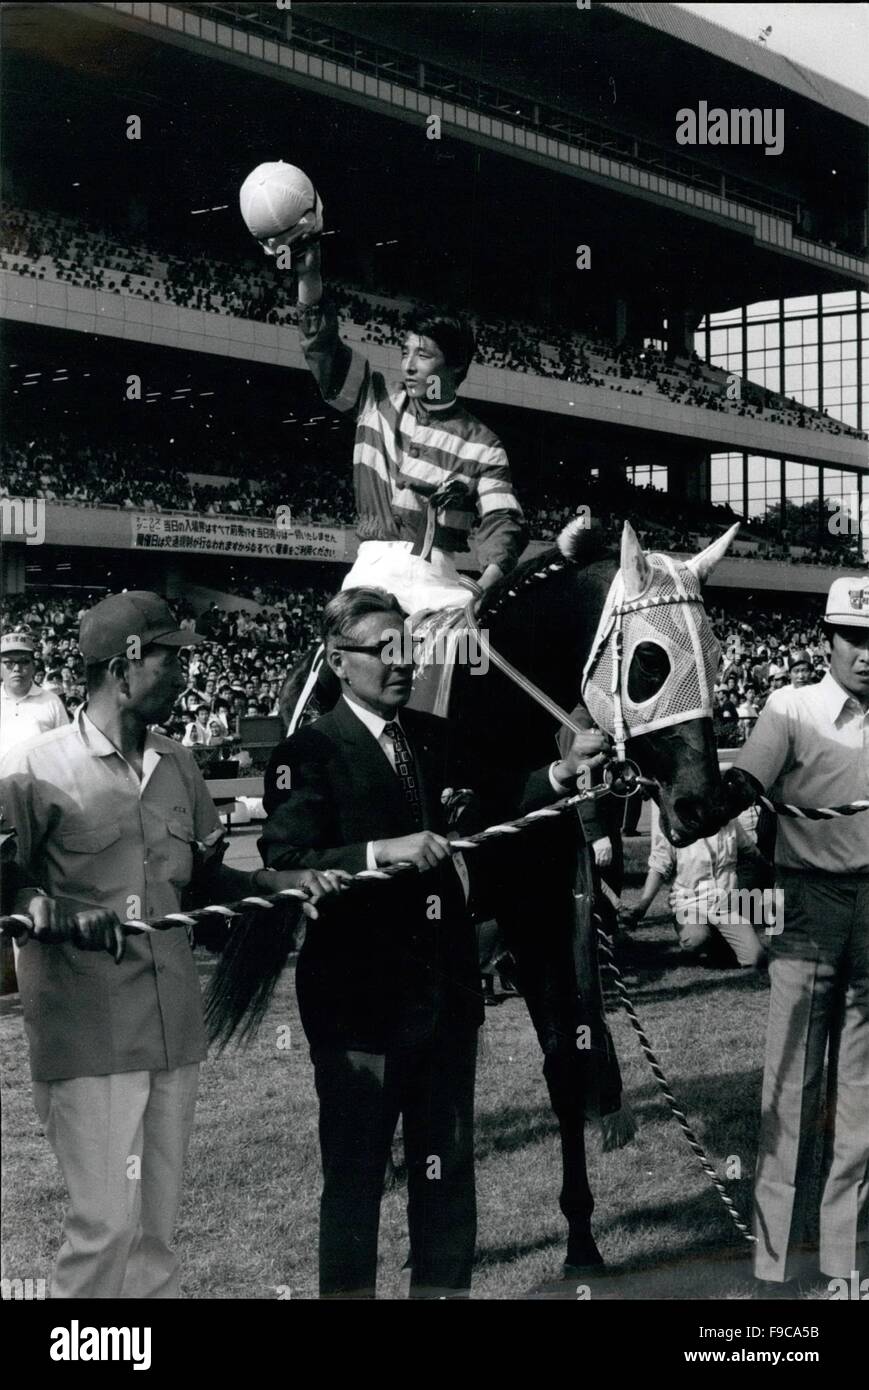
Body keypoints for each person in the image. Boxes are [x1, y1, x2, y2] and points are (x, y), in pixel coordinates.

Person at [259, 587, 608, 1298]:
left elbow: (498, 791)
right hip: (358, 1009)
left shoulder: (428, 735)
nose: (401, 664)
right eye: (382, 650)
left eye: (407, 649)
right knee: (355, 1183)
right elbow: (287, 856)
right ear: (337, 660)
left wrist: (557, 775)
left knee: (445, 1177)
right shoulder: (306, 752)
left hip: (446, 1004)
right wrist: (380, 851)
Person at [0, 591, 346, 1299]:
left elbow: (200, 882)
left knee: (154, 1232)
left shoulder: (177, 763)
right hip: (87, 1035)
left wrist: (277, 882)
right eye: (170, 657)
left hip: (171, 1029)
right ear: (124, 665)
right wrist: (49, 908)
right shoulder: (35, 769)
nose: (183, 673)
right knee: (103, 1228)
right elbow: (8, 880)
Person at [724, 575, 869, 1290]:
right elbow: (744, 783)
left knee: (861, 1095)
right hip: (806, 904)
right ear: (827, 640)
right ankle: (772, 1270)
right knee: (790, 1085)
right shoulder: (789, 708)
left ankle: (843, 1263)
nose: (866, 654)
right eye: (853, 638)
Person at [289, 239, 527, 616]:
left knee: (475, 659)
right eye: (405, 352)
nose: (409, 365)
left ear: (456, 367)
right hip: (372, 570)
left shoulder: (485, 445)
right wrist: (309, 276)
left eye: (424, 354)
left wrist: (482, 588)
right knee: (342, 654)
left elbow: (503, 521)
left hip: (439, 579)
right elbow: (324, 348)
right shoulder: (374, 399)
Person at [622, 803, 769, 967]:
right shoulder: (675, 828)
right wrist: (642, 907)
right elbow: (658, 869)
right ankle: (701, 942)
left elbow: (753, 855)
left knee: (756, 958)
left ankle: (721, 942)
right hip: (689, 905)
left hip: (725, 906)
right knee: (696, 940)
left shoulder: (730, 823)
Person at [0, 630, 68, 759]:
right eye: (9, 663)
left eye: (24, 662)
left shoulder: (52, 701)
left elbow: (65, 749)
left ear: (33, 666)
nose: (16, 669)